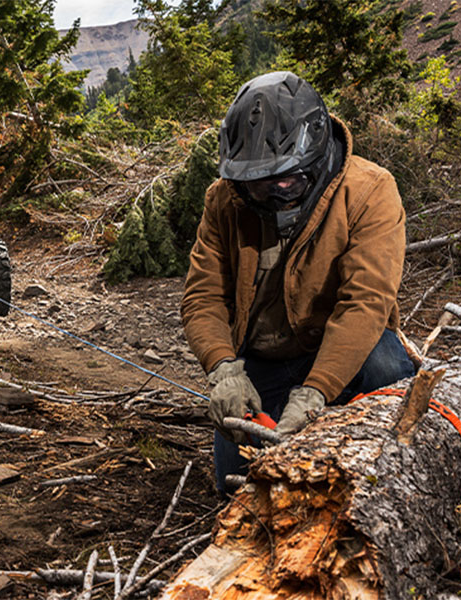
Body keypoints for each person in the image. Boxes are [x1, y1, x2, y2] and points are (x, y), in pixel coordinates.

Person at [180, 71, 415, 496]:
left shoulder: (370, 190)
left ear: (317, 152)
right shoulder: (224, 200)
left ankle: (395, 477)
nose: (277, 189)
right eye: (263, 180)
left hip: (345, 346)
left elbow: (366, 302)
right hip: (264, 357)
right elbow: (203, 296)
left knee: (385, 370)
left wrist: (316, 392)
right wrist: (223, 368)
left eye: (289, 176)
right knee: (236, 488)